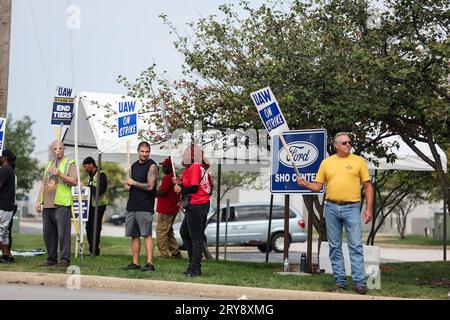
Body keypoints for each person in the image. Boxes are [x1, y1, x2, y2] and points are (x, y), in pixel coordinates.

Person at [297, 132, 373, 295]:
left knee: (356, 246)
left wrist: (368, 209)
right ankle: (340, 281)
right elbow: (318, 186)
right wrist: (305, 184)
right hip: (331, 207)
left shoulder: (358, 161)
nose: (348, 145)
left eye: (350, 142)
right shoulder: (327, 163)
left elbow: (368, 186)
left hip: (352, 208)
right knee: (334, 246)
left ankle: (360, 282)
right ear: (336, 145)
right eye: (345, 143)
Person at [35, 141, 78, 268]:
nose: (57, 151)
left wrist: (59, 173)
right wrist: (39, 200)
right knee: (48, 234)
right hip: (47, 204)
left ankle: (64, 260)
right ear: (51, 150)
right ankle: (51, 259)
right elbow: (44, 184)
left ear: (63, 149)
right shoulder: (48, 164)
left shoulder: (70, 163)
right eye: (55, 148)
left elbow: (74, 181)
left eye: (60, 148)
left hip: (62, 204)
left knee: (63, 233)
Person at [173, 144, 211, 277]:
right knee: (184, 233)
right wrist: (180, 182)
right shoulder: (199, 167)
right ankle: (193, 263)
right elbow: (197, 185)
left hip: (198, 205)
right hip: (197, 204)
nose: (184, 154)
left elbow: (194, 188)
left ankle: (195, 269)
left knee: (196, 238)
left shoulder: (195, 166)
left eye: (186, 152)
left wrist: (180, 189)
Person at [123, 141, 158, 272]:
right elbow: (130, 184)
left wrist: (134, 183)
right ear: (138, 151)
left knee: (147, 235)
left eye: (147, 151)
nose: (144, 154)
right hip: (132, 205)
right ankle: (135, 263)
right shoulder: (133, 166)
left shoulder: (152, 166)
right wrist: (127, 186)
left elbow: (150, 186)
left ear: (149, 152)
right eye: (142, 151)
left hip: (145, 206)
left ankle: (149, 264)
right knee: (134, 235)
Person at [155, 157, 182, 259]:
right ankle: (176, 252)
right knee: (168, 231)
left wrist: (152, 190)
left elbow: (162, 192)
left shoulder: (168, 178)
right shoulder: (176, 177)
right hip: (173, 208)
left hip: (166, 209)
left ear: (169, 167)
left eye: (164, 166)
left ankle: (164, 254)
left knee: (161, 231)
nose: (163, 168)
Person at [82, 156, 109, 256]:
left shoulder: (101, 175)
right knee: (89, 227)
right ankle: (91, 249)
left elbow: (100, 190)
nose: (84, 169)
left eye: (85, 166)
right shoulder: (92, 175)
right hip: (91, 206)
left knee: (95, 227)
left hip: (99, 205)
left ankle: (95, 250)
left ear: (91, 164)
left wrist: (87, 188)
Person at [0, 149, 16, 263]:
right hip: (8, 206)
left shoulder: (5, 169)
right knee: (4, 232)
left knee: (1, 231)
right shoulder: (9, 169)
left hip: (3, 206)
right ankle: (6, 256)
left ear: (4, 157)